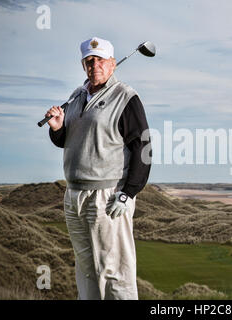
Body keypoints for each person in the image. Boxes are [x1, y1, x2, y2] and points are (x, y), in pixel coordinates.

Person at [45, 36, 152, 300]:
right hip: (74, 195)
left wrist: (129, 193)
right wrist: (57, 128)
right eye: (89, 61)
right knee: (86, 269)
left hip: (107, 196)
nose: (95, 66)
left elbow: (143, 149)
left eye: (101, 60)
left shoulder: (125, 98)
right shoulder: (76, 96)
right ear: (83, 65)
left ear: (113, 64)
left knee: (115, 271)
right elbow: (68, 141)